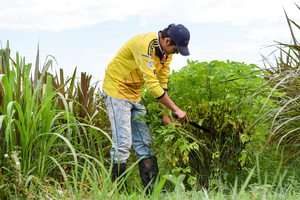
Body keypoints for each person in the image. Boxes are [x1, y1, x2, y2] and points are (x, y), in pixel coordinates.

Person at [102, 23, 190, 191]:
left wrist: (165, 115)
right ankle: (119, 192)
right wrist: (176, 109)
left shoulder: (166, 53)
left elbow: (162, 82)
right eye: (176, 48)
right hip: (116, 90)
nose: (177, 52)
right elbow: (152, 85)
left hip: (134, 93)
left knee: (144, 141)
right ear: (167, 40)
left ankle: (152, 190)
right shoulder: (146, 45)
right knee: (123, 143)